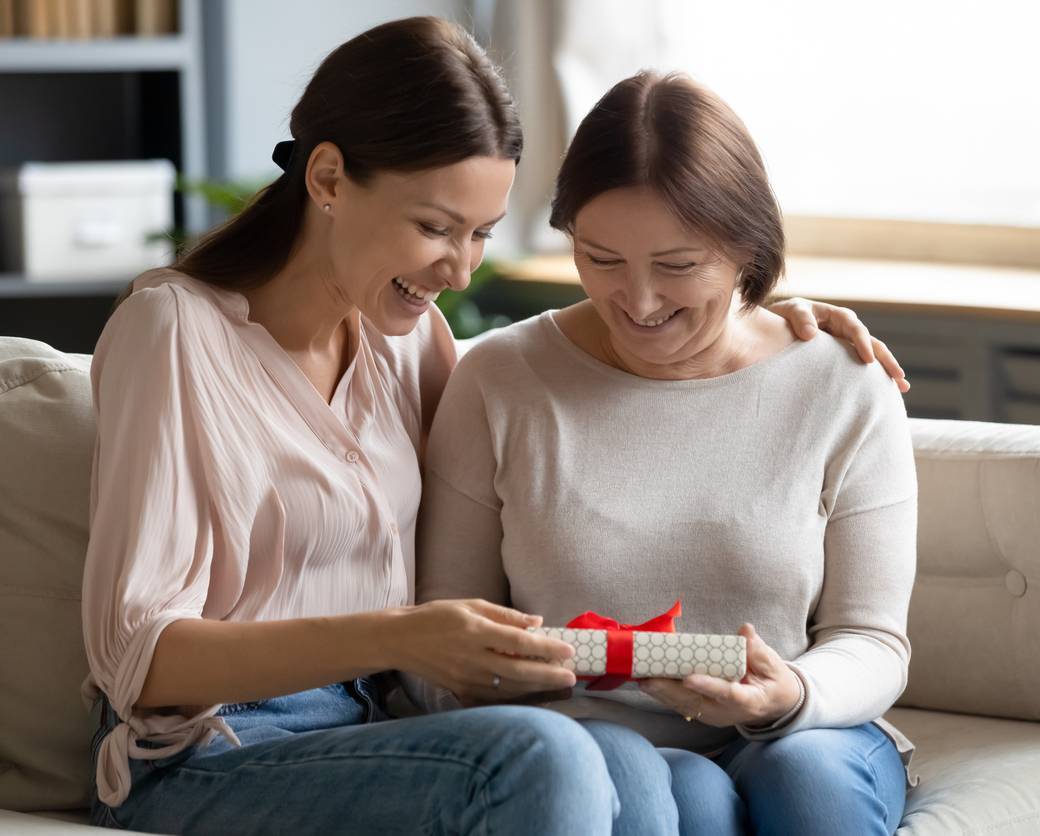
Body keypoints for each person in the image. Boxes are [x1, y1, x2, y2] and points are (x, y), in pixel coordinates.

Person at [80, 17, 905, 836]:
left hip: (375, 730)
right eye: (435, 228)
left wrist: (757, 314)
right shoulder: (174, 330)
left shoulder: (407, 338)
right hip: (208, 746)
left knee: (622, 762)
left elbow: (594, 382)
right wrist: (406, 636)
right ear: (327, 179)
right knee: (554, 756)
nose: (460, 269)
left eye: (480, 234)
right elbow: (136, 662)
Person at [413, 71, 920, 836]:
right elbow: (436, 644)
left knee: (806, 776)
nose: (639, 303)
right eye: (601, 258)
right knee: (687, 793)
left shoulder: (840, 382)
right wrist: (494, 676)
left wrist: (792, 696)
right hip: (592, 744)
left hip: (804, 728)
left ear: (749, 248)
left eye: (678, 266)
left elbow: (873, 639)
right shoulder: (502, 380)